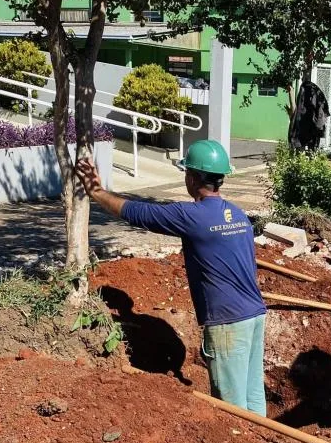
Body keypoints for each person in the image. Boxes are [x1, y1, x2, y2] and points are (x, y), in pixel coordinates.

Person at [76, 140, 268, 415]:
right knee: (253, 397)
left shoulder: (192, 216)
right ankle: (264, 442)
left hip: (228, 323)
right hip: (255, 314)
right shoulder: (238, 216)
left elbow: (137, 213)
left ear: (192, 178)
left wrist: (96, 191)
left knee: (232, 410)